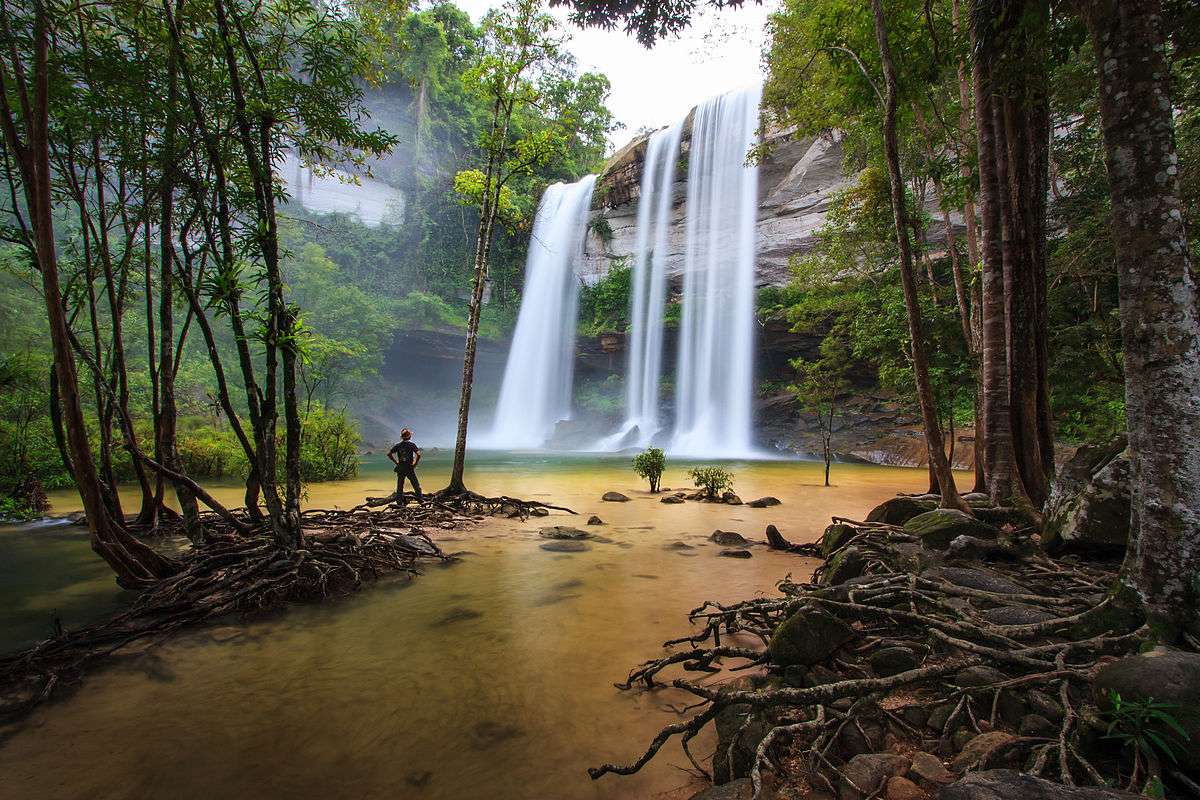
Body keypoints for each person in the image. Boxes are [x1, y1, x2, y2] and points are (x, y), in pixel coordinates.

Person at [387, 428, 423, 502]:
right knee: (416, 486)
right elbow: (419, 454)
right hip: (409, 468)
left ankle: (399, 503)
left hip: (400, 468)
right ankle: (421, 501)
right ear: (409, 437)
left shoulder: (398, 445)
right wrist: (415, 464)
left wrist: (396, 462)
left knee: (400, 487)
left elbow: (389, 454)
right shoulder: (412, 445)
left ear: (402, 437)